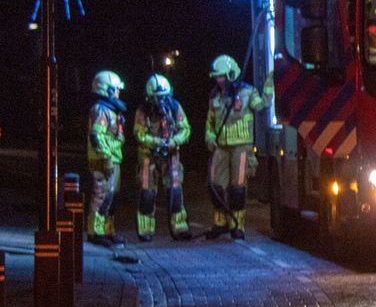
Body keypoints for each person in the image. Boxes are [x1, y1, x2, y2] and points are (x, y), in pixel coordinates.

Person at [205, 54, 273, 240]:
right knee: (215, 186)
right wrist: (209, 137)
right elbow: (210, 122)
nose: (218, 80)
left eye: (221, 76)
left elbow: (262, 105)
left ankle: (237, 226)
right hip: (220, 146)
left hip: (241, 147)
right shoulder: (215, 96)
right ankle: (219, 223)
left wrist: (270, 83)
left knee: (238, 189)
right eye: (216, 77)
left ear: (231, 75)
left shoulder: (247, 92)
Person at [134, 73, 193, 241]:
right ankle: (145, 229)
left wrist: (174, 141)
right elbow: (139, 133)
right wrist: (156, 142)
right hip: (149, 156)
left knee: (175, 191)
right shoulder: (143, 111)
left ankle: (179, 227)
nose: (161, 101)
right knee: (147, 193)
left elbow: (185, 129)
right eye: (157, 97)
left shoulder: (174, 107)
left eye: (164, 97)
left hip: (171, 155)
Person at [87, 69, 127, 247]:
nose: (118, 92)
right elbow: (96, 137)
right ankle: (95, 232)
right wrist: (106, 158)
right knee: (101, 196)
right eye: (116, 89)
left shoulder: (111, 110)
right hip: (103, 161)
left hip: (113, 158)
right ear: (107, 89)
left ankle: (108, 230)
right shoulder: (101, 110)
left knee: (112, 197)